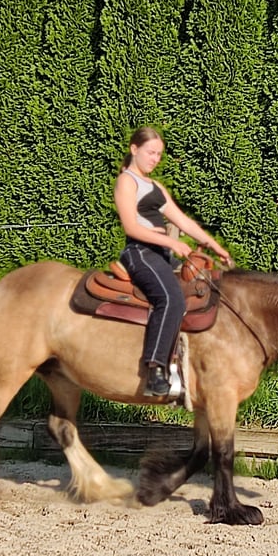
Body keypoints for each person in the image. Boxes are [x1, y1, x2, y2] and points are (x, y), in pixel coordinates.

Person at [115, 126, 232, 396]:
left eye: (159, 154)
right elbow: (131, 227)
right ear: (134, 149)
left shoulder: (155, 187)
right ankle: (155, 369)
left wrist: (214, 246)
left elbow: (182, 221)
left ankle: (186, 366)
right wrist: (171, 242)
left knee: (199, 292)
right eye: (150, 152)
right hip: (140, 253)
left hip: (159, 254)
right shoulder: (127, 182)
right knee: (171, 299)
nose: (155, 159)